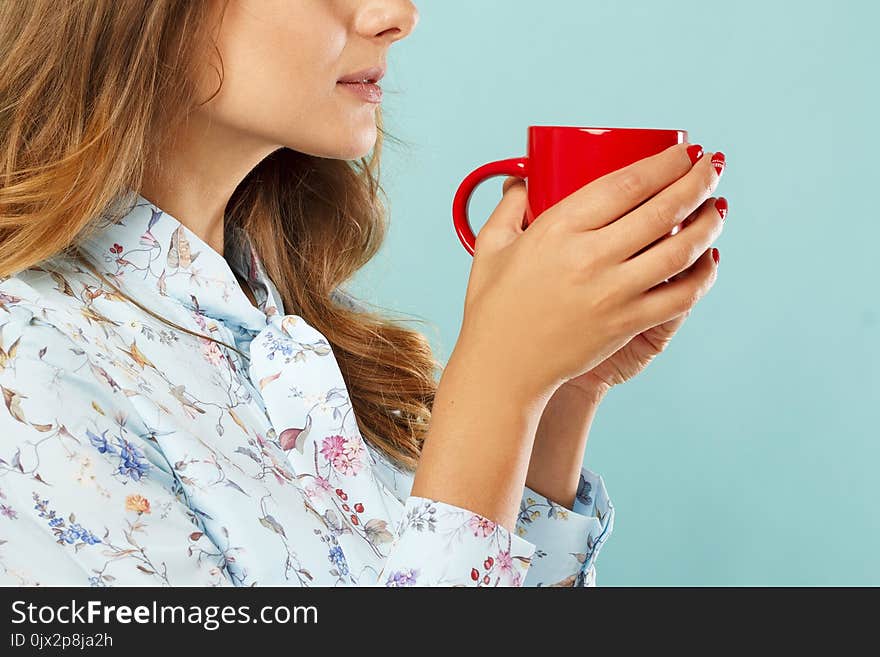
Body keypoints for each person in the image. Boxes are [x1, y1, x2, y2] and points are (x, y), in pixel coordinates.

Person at [0, 1, 725, 587]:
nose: (399, 15)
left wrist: (558, 392)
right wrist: (495, 391)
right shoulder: (25, 370)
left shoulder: (275, 332)